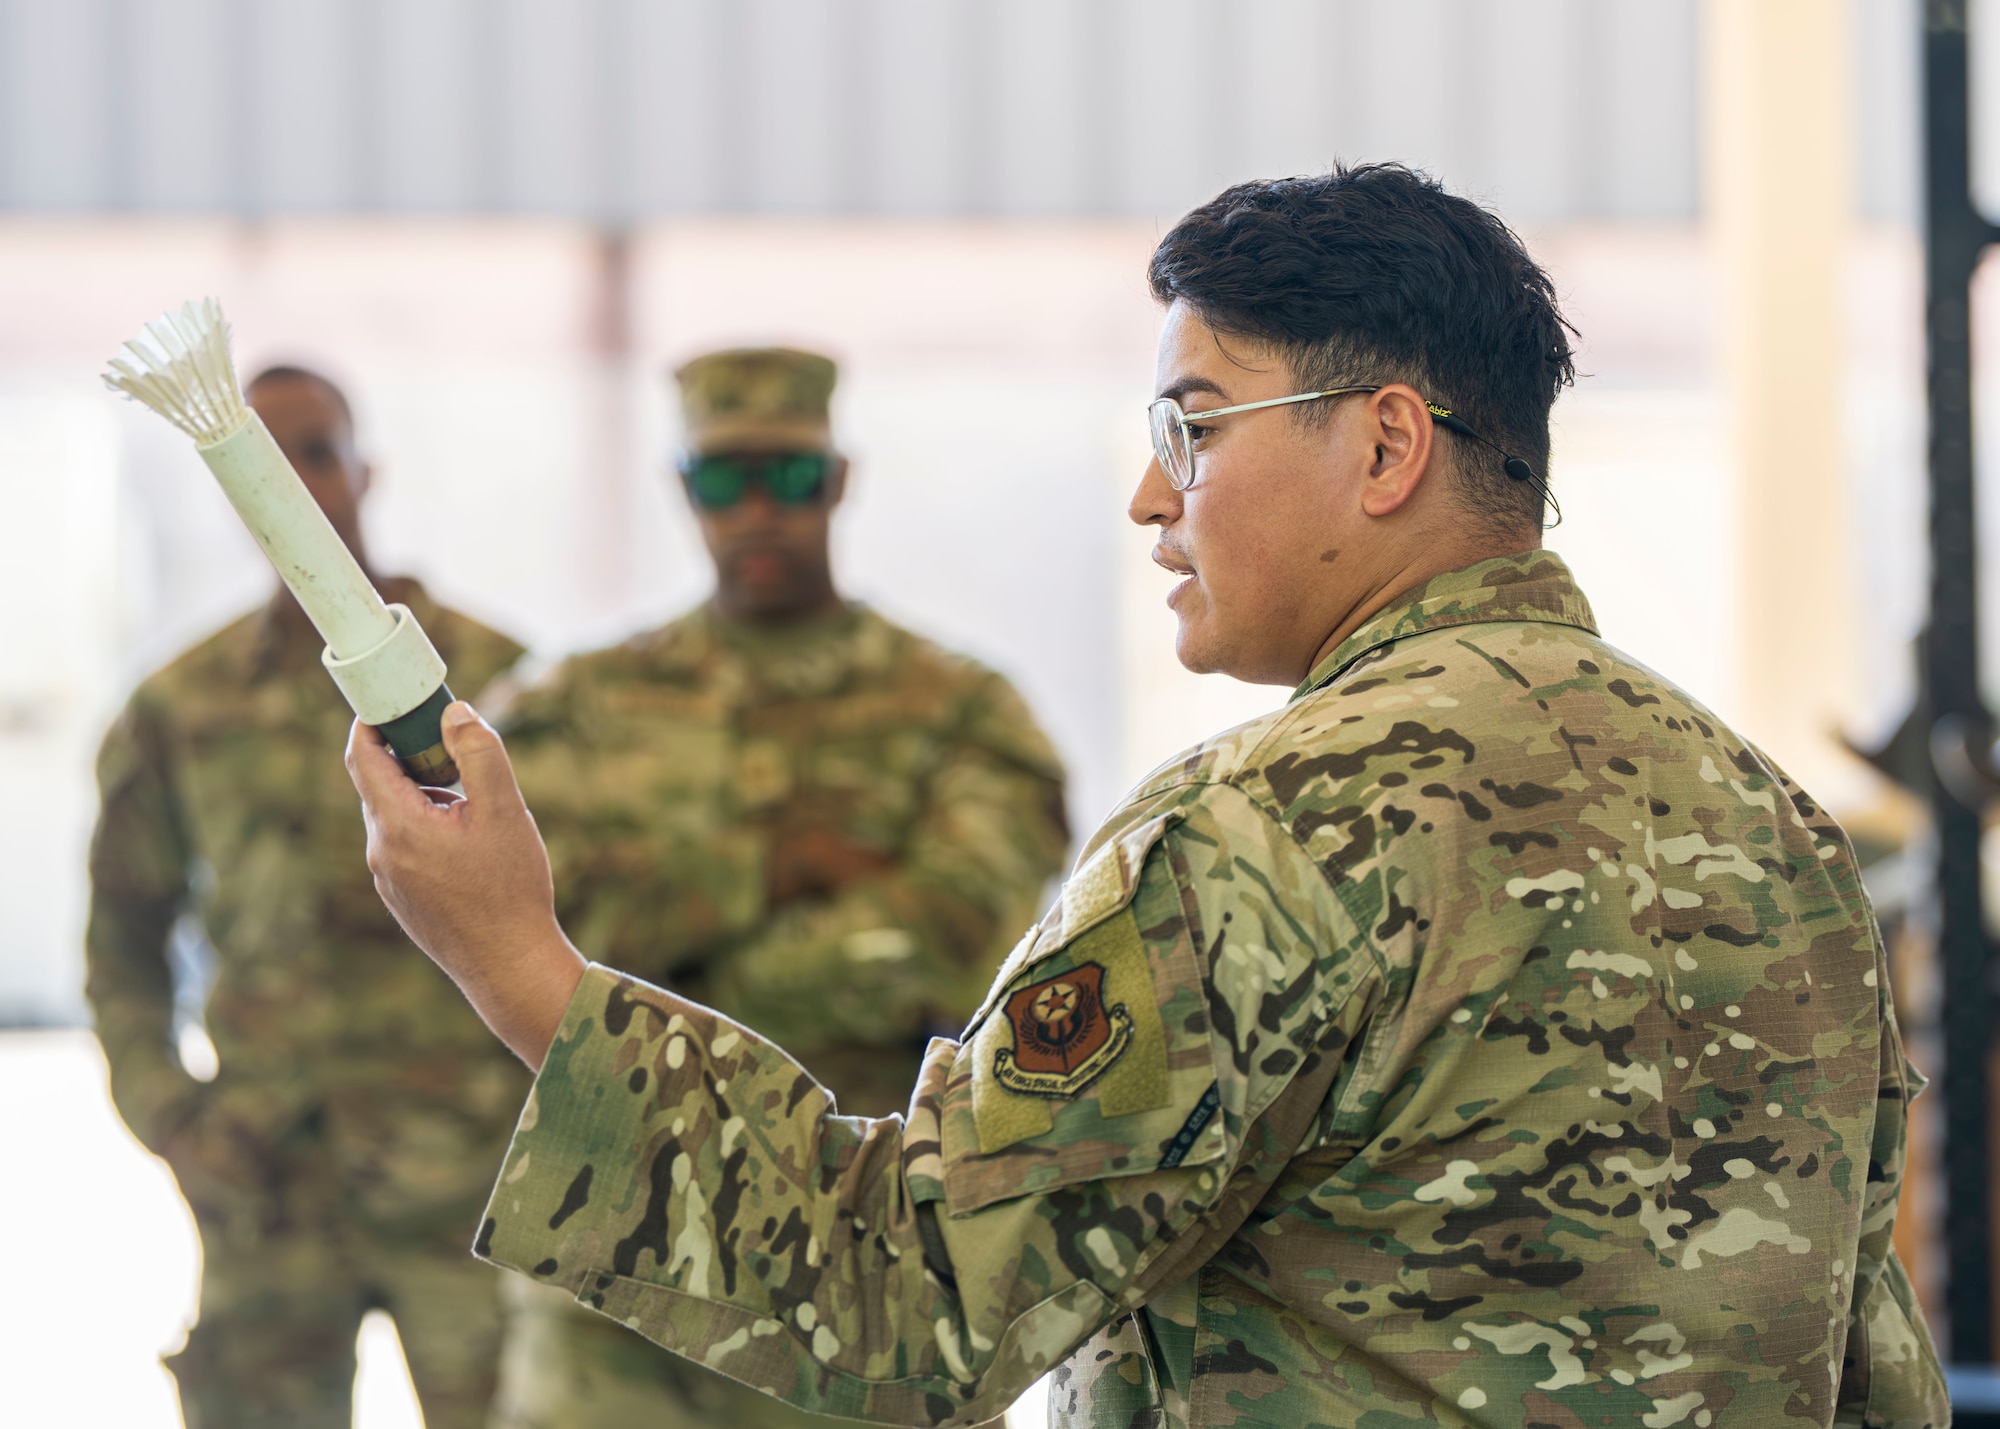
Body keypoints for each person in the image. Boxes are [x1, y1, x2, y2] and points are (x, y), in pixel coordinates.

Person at [347, 166, 1947, 1428]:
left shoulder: (1276, 830)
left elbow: (913, 1294)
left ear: (1387, 445)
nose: (1148, 495)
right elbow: (1866, 1361)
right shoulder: (1774, 829)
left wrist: (521, 964)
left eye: (1192, 425)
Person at [486, 346, 1071, 1428]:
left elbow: (952, 941)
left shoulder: (960, 710)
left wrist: (653, 964)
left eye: (789, 478)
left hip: (862, 1256)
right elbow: (503, 919)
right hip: (613, 1250)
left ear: (838, 481)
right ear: (682, 490)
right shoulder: (576, 706)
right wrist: (774, 867)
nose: (756, 511)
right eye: (722, 481)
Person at [85, 366, 528, 1429]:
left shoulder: (496, 683)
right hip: (268, 1187)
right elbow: (122, 937)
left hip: (465, 1186)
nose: (297, 485)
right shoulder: (180, 707)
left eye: (318, 452)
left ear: (365, 469)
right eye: (266, 460)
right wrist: (172, 1116)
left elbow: (592, 908)